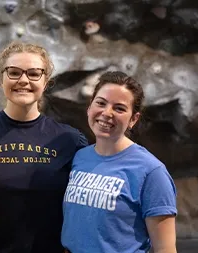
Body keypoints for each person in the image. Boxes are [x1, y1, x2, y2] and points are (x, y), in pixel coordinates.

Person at [0, 41, 88, 253]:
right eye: (14, 72)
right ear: (1, 78)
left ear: (46, 81)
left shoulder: (70, 141)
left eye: (34, 73)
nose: (23, 80)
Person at [61, 71, 177, 253]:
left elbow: (165, 249)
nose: (107, 113)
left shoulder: (151, 171)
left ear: (133, 119)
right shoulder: (79, 157)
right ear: (89, 107)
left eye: (119, 108)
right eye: (101, 103)